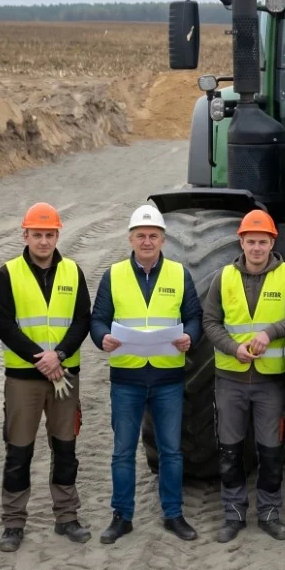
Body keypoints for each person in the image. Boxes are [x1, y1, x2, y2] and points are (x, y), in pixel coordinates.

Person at [90, 204, 203, 544]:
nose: (147, 241)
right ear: (130, 239)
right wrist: (102, 339)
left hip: (168, 378)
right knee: (123, 451)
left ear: (163, 240)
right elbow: (98, 319)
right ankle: (122, 516)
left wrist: (190, 338)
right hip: (127, 379)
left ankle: (174, 514)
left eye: (153, 235)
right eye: (141, 235)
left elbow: (194, 316)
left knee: (171, 450)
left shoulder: (179, 275)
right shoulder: (114, 275)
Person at [202, 210, 285, 543]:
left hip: (268, 382)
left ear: (272, 243)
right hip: (230, 379)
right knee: (230, 451)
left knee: (271, 452)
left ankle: (269, 513)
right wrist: (231, 347)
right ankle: (233, 513)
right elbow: (210, 323)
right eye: (250, 241)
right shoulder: (223, 278)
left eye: (262, 242)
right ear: (241, 242)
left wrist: (270, 333)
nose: (256, 248)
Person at [0, 202, 93, 552]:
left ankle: (66, 517)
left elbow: (82, 320)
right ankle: (13, 522)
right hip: (24, 378)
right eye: (37, 235)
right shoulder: (8, 274)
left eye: (49, 235)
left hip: (65, 375)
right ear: (25, 235)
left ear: (57, 235)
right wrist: (41, 358)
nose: (44, 241)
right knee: (19, 450)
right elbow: (4, 325)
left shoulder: (73, 272)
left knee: (66, 449)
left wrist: (59, 355)